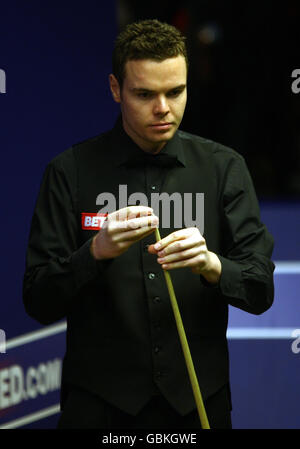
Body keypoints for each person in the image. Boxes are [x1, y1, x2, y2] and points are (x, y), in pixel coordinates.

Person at [23, 19, 275, 429]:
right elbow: (37, 299)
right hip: (98, 409)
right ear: (114, 89)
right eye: (144, 94)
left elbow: (261, 290)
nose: (163, 108)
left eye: (176, 91)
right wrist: (94, 253)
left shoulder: (224, 168)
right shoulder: (69, 172)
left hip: (197, 407)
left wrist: (213, 266)